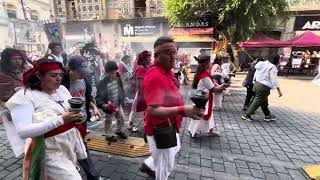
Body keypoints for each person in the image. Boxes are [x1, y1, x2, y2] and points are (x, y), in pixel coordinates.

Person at [5, 59, 87, 179]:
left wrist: (78, 118)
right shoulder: (25, 96)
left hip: (69, 146)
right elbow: (23, 131)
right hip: (48, 151)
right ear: (39, 75)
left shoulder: (62, 90)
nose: (58, 78)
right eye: (53, 75)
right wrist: (61, 120)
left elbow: (69, 112)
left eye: (60, 75)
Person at [140, 36, 203, 180]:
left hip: (170, 125)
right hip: (160, 130)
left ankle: (149, 165)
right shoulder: (155, 75)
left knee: (174, 149)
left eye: (174, 52)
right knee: (164, 167)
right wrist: (183, 110)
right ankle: (153, 169)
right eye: (168, 52)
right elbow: (153, 110)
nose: (173, 56)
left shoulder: (167, 72)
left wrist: (187, 109)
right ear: (157, 55)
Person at [61, 55, 102, 180]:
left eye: (85, 72)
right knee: (78, 147)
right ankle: (92, 176)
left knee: (80, 147)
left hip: (82, 120)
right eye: (80, 72)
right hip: (68, 122)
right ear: (71, 69)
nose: (83, 75)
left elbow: (86, 98)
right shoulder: (61, 83)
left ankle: (89, 175)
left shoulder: (85, 80)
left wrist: (94, 107)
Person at [188, 55, 227, 137]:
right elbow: (214, 89)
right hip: (204, 99)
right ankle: (192, 131)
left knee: (208, 115)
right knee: (200, 115)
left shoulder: (204, 74)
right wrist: (223, 85)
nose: (211, 63)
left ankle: (210, 130)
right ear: (207, 64)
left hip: (204, 98)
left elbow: (211, 85)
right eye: (210, 62)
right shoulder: (204, 76)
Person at [241, 55, 283, 122]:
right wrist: (279, 91)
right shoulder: (272, 67)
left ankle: (267, 115)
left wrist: (254, 82)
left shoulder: (260, 64)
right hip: (264, 86)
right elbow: (274, 80)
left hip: (257, 83)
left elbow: (255, 73)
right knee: (257, 101)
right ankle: (247, 115)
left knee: (263, 101)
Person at [96, 61, 128, 142]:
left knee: (121, 118)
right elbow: (98, 97)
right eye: (111, 73)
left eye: (114, 73)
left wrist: (123, 98)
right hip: (108, 106)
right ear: (106, 72)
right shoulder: (102, 83)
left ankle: (118, 130)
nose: (113, 75)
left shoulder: (118, 78)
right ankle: (108, 135)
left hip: (117, 104)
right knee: (108, 120)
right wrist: (103, 105)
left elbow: (121, 89)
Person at [0, 48, 27, 124]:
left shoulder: (25, 72)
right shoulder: (2, 75)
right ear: (7, 60)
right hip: (6, 108)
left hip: (24, 107)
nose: (18, 61)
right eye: (14, 59)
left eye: (20, 59)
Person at [128, 51, 152, 132]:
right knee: (135, 109)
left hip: (146, 92)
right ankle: (130, 125)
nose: (150, 59)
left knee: (146, 109)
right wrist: (142, 95)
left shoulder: (146, 67)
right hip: (141, 92)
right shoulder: (140, 68)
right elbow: (139, 84)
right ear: (144, 59)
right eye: (149, 58)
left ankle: (147, 123)